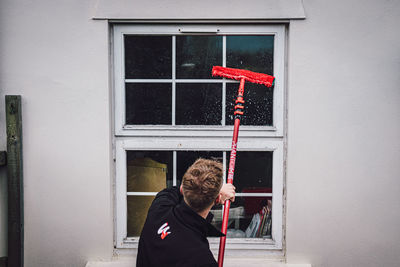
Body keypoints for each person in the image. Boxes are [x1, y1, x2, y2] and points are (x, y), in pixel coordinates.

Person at [136, 158, 236, 267]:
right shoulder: (202, 259)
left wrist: (217, 193)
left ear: (183, 189)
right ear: (217, 200)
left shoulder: (159, 208)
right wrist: (218, 194)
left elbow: (172, 191)